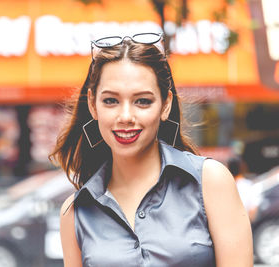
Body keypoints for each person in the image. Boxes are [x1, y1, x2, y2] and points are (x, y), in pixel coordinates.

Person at [49, 33, 253, 267]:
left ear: (165, 105)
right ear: (93, 105)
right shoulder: (75, 212)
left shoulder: (210, 182)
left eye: (142, 101)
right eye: (111, 101)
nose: (126, 117)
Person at [227, 156, 259, 222]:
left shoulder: (223, 185)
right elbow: (253, 211)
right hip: (245, 223)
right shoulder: (249, 185)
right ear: (242, 167)